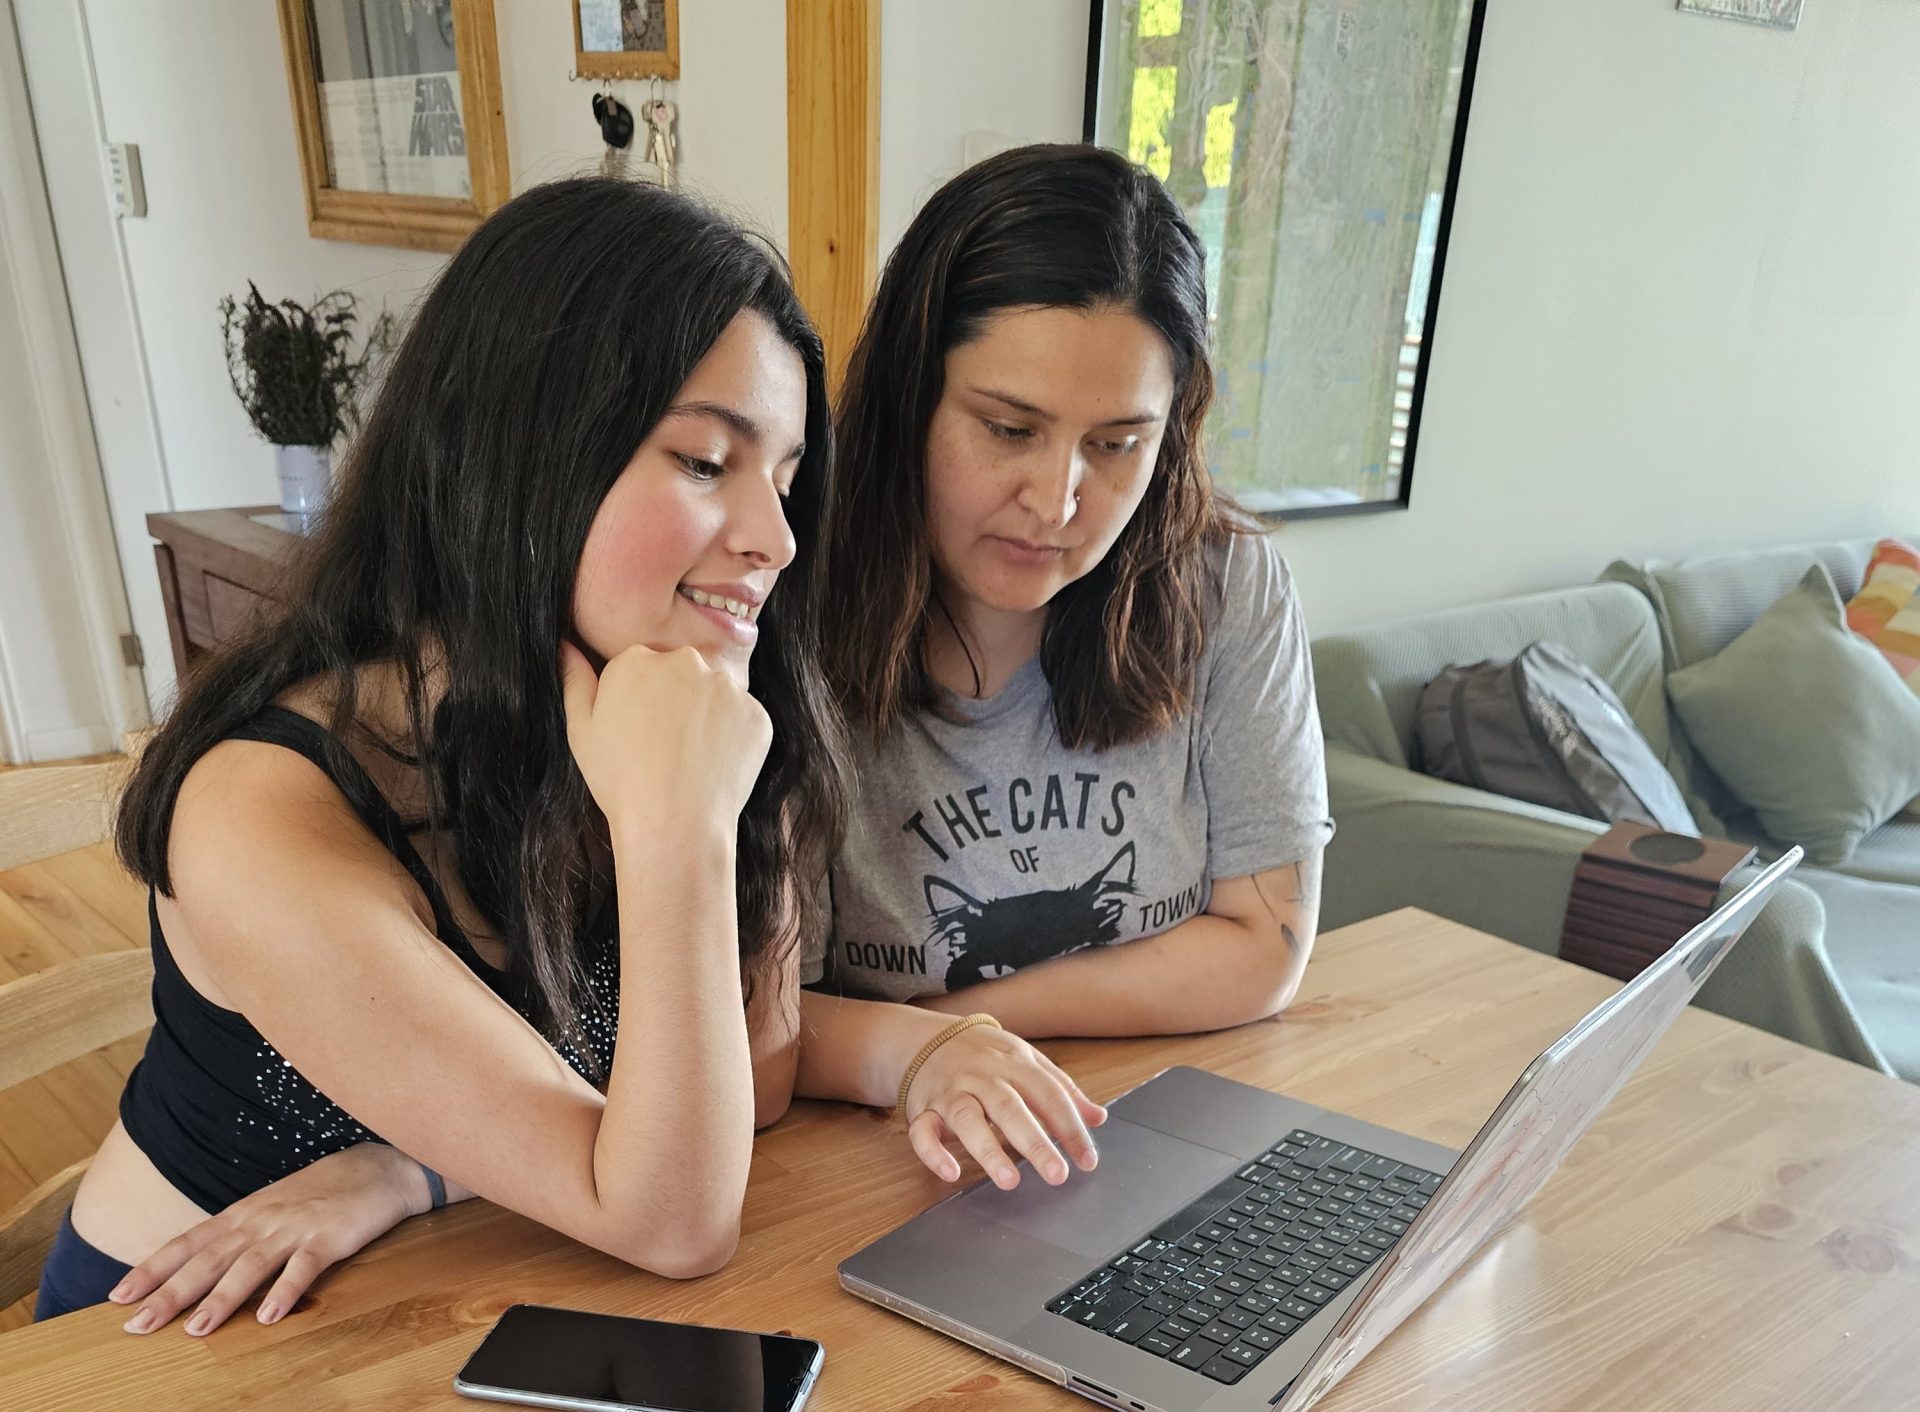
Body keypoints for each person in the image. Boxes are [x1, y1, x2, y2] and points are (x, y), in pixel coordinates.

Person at [37, 175, 853, 1325]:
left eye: (785, 477)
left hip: (478, 1271)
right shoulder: (262, 807)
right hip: (185, 1334)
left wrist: (408, 1169)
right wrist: (682, 831)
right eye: (707, 461)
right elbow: (676, 1220)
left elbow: (756, 1077)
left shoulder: (667, 709)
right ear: (515, 459)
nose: (776, 538)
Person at [812, 142, 1333, 1049]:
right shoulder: (786, 593)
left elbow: (1265, 948)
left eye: (1116, 445)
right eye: (1009, 429)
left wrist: (950, 1032)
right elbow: (758, 1028)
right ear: (909, 398)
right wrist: (924, 1061)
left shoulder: (1225, 582)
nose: (1057, 504)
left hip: (1144, 1098)